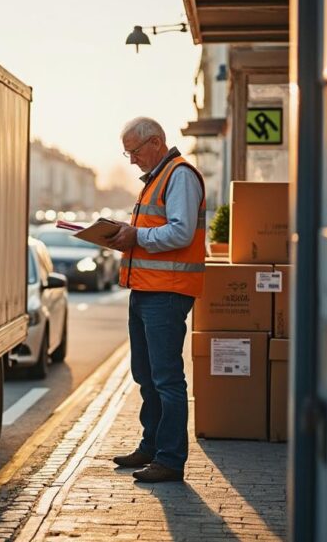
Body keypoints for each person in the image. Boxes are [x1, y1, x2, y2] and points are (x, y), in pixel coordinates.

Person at [106, 117, 206, 484]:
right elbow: (155, 228)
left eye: (134, 151)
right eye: (127, 152)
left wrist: (136, 237)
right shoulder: (156, 180)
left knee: (166, 379)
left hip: (167, 292)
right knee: (146, 375)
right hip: (147, 289)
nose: (132, 160)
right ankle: (151, 446)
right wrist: (124, 233)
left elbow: (179, 232)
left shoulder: (179, 175)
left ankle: (170, 458)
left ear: (157, 142)